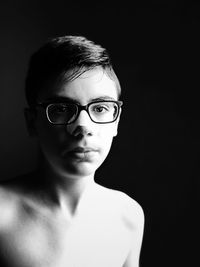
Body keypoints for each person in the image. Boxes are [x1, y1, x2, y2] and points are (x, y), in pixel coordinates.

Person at [0, 35, 144, 267]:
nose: (83, 127)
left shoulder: (128, 215)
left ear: (116, 122)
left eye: (100, 108)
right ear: (32, 122)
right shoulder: (3, 215)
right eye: (61, 109)